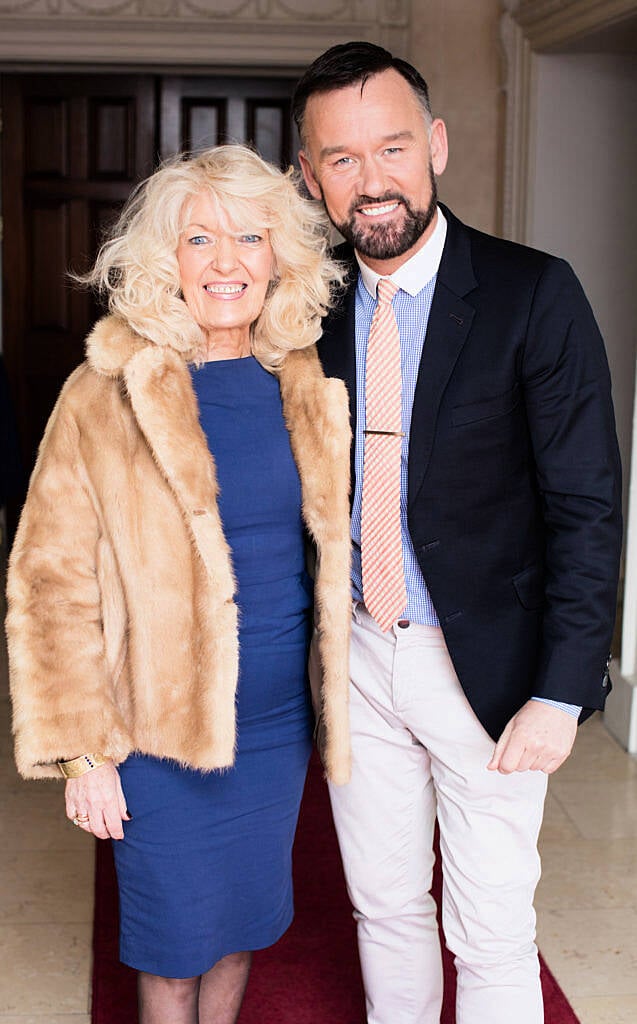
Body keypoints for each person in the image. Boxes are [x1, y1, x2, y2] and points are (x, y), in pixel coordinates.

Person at [293, 41, 622, 1024]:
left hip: (486, 665)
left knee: (488, 930)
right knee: (383, 906)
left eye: (390, 147)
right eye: (341, 159)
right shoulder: (305, 303)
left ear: (434, 145)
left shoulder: (533, 293)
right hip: (355, 654)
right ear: (311, 179)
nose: (370, 179)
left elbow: (586, 503)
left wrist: (562, 691)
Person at [6, 144, 353, 1024]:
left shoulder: (302, 379)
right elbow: (49, 582)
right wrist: (82, 749)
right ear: (165, 258)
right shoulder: (107, 390)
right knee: (170, 946)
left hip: (275, 726)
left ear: (282, 253)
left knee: (241, 925)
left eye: (249, 235)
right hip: (155, 731)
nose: (227, 262)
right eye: (200, 239)